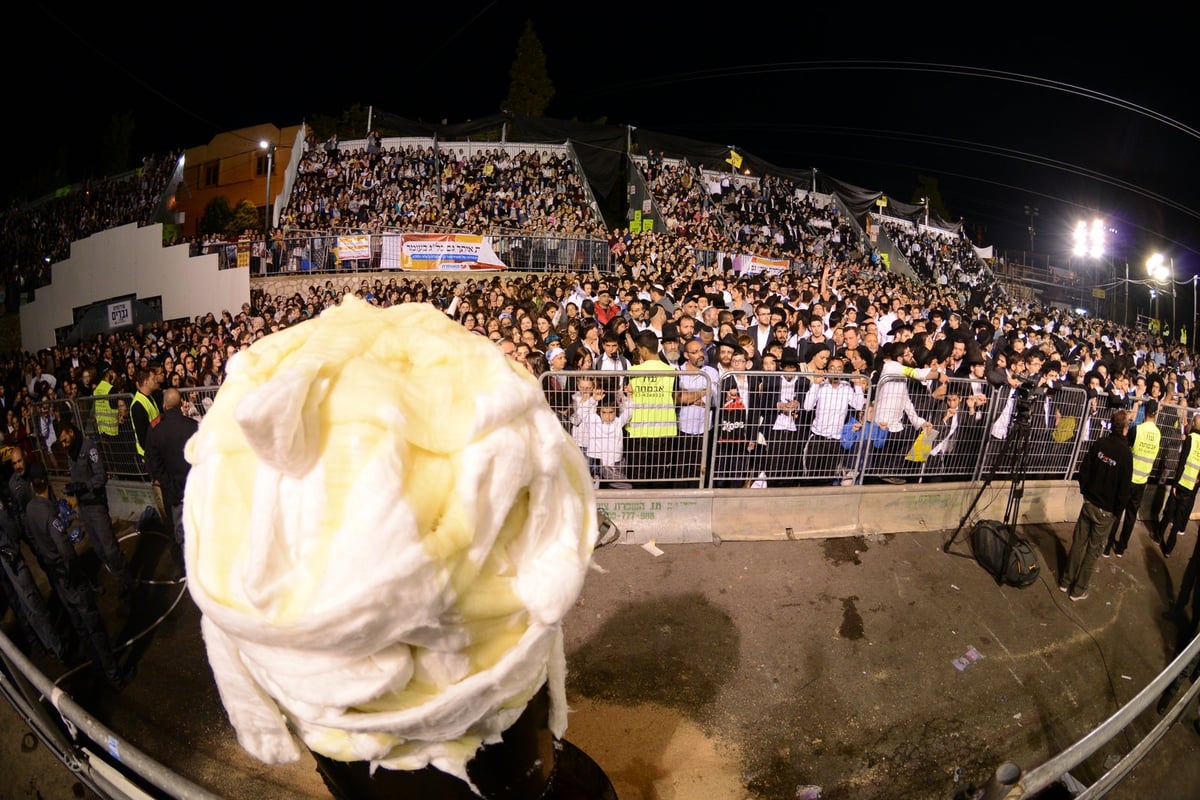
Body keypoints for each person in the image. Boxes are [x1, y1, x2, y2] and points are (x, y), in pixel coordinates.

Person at [23, 462, 131, 688]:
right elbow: (65, 549)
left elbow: (33, 540)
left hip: (56, 576)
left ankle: (97, 667)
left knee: (79, 625)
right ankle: (114, 675)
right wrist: (73, 571)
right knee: (92, 624)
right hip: (67, 574)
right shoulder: (48, 512)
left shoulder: (30, 509)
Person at [1060, 409, 1133, 601]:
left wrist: (1086, 492)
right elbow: (1124, 490)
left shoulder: (1100, 443)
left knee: (1078, 543)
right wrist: (1116, 512)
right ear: (1125, 429)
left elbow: (1084, 470)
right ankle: (1078, 590)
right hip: (1105, 511)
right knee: (1092, 551)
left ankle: (1065, 581)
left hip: (1090, 503)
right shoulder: (1126, 455)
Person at [60, 420, 135, 598]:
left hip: (96, 506)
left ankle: (127, 581)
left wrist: (83, 486)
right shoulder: (70, 453)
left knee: (110, 549)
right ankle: (119, 578)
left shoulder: (89, 448)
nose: (63, 445)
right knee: (99, 549)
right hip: (83, 508)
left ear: (71, 432)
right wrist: (73, 489)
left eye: (64, 440)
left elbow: (101, 477)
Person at [144, 387, 199, 568]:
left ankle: (184, 568)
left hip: (172, 492)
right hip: (194, 488)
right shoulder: (192, 426)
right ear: (181, 403)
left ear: (164, 405)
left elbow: (154, 464)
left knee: (179, 532)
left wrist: (169, 487)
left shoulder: (156, 431)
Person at [1104, 398, 1163, 558]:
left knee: (1118, 512)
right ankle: (1121, 548)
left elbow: (1125, 448)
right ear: (1156, 413)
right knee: (1131, 516)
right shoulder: (1158, 434)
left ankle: (1107, 546)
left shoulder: (1137, 429)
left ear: (1144, 412)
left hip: (1128, 478)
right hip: (1142, 481)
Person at [624, 329, 679, 487]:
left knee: (639, 479)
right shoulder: (671, 372)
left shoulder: (633, 371)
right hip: (664, 430)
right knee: (660, 479)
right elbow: (675, 399)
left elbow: (628, 398)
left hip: (639, 431)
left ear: (643, 349)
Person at [1156, 413, 1200, 559]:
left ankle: (1158, 535)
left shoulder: (1190, 439)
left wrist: (1174, 483)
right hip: (1191, 485)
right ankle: (1169, 548)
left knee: (1170, 511)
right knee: (1179, 517)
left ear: (1193, 424)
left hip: (1181, 482)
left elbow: (1182, 462)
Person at [129, 367, 162, 473]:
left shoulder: (150, 397)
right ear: (146, 382)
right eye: (153, 378)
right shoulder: (138, 405)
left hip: (157, 449)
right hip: (149, 453)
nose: (156, 380)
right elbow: (143, 436)